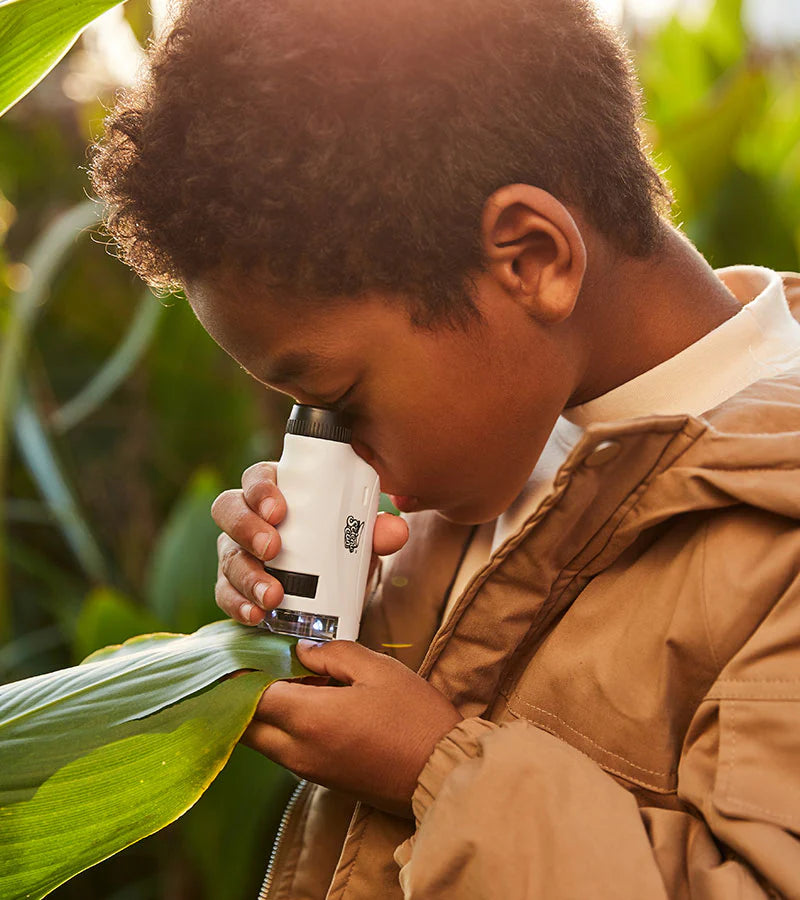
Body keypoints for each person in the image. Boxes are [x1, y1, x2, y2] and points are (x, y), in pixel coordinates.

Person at [89, 0, 800, 896]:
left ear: (532, 259)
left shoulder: (779, 526)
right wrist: (330, 607)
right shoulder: (510, 435)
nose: (332, 448)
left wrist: (434, 768)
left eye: (337, 400)